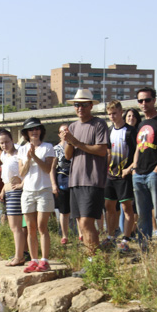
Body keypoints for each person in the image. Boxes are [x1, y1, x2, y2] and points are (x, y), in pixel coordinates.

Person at [123, 87, 157, 250]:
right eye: (140, 101)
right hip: (139, 175)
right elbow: (138, 147)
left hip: (155, 175)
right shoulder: (142, 124)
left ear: (154, 100)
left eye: (147, 100)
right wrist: (135, 168)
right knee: (143, 215)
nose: (144, 103)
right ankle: (144, 246)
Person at [61, 89, 109, 250]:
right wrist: (68, 141)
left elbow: (102, 150)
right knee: (81, 223)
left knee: (88, 222)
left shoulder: (99, 124)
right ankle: (92, 259)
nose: (80, 108)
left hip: (92, 180)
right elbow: (68, 156)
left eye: (84, 104)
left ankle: (94, 260)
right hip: (75, 180)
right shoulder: (73, 126)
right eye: (77, 105)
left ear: (91, 106)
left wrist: (76, 142)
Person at [18, 118, 56, 273]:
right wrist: (28, 158)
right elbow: (21, 173)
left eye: (37, 129)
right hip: (27, 191)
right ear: (26, 133)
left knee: (41, 226)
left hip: (43, 190)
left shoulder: (48, 147)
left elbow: (47, 169)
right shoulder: (22, 149)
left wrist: (34, 156)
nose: (34, 132)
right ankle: (33, 260)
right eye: (31, 129)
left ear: (41, 131)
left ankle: (45, 260)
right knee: (30, 227)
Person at [104, 100, 136, 252]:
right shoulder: (109, 131)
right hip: (111, 174)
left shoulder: (130, 131)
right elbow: (109, 152)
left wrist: (129, 168)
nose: (112, 117)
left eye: (114, 113)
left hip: (124, 175)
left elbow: (137, 152)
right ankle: (110, 236)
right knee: (109, 206)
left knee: (126, 207)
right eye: (109, 114)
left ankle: (126, 238)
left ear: (121, 112)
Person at [0, 129, 27, 266]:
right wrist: (3, 190)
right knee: (14, 227)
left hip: (16, 192)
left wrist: (22, 184)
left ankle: (19, 256)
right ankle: (20, 254)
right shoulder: (3, 155)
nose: (4, 145)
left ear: (12, 140)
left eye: (7, 142)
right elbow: (6, 177)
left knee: (16, 227)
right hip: (8, 191)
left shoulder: (20, 153)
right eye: (1, 143)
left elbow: (28, 170)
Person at [53, 125, 73, 245]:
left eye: (66, 130)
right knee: (63, 210)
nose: (64, 133)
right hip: (61, 181)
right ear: (59, 135)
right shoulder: (55, 149)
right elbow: (52, 168)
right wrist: (53, 184)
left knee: (76, 210)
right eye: (62, 131)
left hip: (74, 179)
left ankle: (80, 234)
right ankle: (65, 235)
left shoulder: (74, 146)